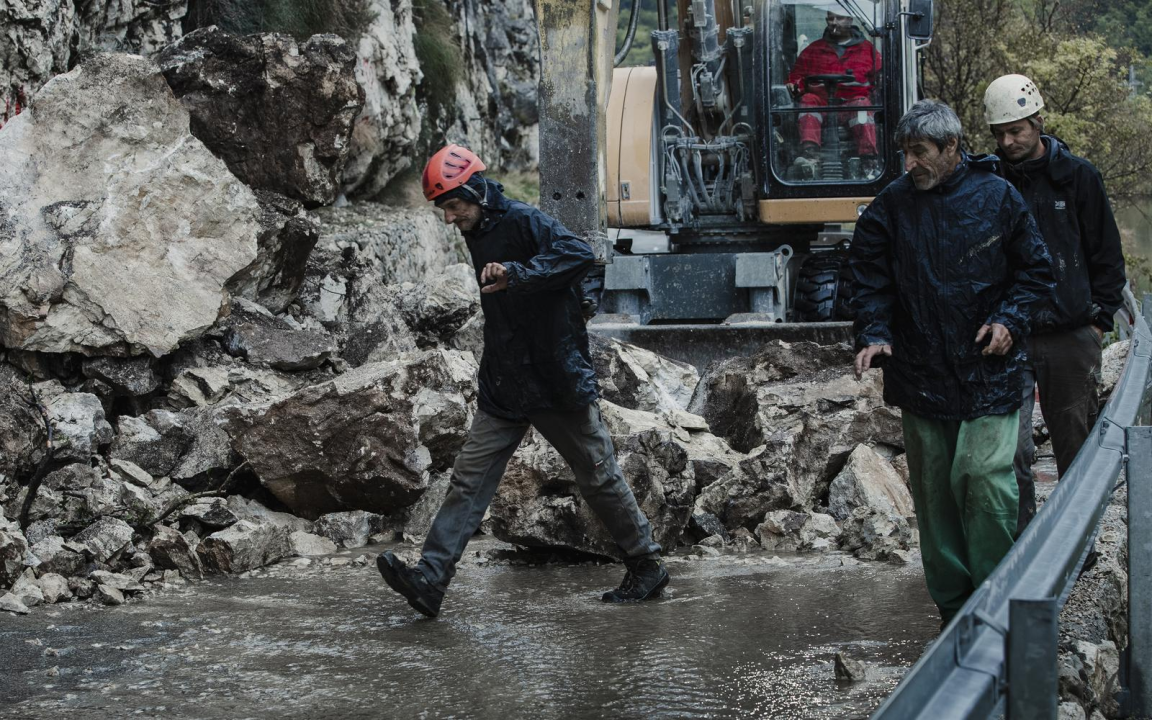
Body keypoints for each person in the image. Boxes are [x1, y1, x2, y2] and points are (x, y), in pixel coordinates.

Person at [375, 144, 670, 618]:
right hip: (506, 380)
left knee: (597, 475)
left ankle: (646, 564)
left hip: (554, 376)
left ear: (476, 193)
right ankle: (430, 579)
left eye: (454, 206)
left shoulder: (524, 219)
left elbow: (579, 254)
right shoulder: (478, 228)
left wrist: (518, 273)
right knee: (469, 479)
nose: (449, 218)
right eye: (443, 209)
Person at [848, 100, 1054, 625]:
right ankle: (954, 610)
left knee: (984, 478)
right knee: (935, 497)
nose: (909, 164)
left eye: (920, 152)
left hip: (990, 369)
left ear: (952, 147)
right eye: (904, 153)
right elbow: (868, 281)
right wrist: (874, 333)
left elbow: (1036, 271)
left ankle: (996, 599)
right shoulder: (890, 208)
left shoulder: (997, 196)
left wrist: (1009, 320)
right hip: (920, 375)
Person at [983, 74, 1128, 533]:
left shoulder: (1078, 177)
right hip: (1009, 335)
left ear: (1038, 121)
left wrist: (1098, 322)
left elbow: (1107, 255)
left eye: (1016, 131)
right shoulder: (989, 181)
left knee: (1074, 444)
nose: (1008, 142)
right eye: (1000, 134)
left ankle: (1077, 543)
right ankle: (1023, 545)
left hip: (1070, 333)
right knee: (1011, 450)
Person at [786, 7, 882, 159]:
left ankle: (868, 159)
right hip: (822, 104)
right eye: (831, 18)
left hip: (852, 104)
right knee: (808, 100)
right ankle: (810, 157)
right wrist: (794, 85)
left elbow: (880, 78)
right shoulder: (813, 50)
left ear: (850, 19)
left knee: (862, 104)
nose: (834, 22)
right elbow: (796, 77)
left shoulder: (868, 51)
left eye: (839, 18)